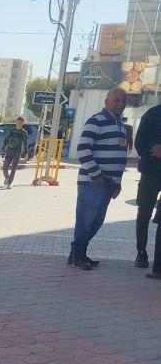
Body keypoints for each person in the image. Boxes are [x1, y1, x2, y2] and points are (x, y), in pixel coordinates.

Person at [68, 87, 129, 270]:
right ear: (106, 101)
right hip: (93, 183)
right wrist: (96, 174)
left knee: (96, 222)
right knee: (86, 221)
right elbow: (83, 150)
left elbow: (120, 157)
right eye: (117, 100)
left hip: (108, 184)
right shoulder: (96, 120)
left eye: (123, 101)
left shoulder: (121, 125)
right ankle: (78, 256)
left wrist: (117, 184)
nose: (120, 104)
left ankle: (77, 253)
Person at [134, 99, 161, 268]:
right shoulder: (152, 114)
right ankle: (141, 252)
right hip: (150, 173)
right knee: (144, 212)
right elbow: (139, 143)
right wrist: (152, 153)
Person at [1, 117, 29, 188]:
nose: (19, 124)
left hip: (17, 151)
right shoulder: (11, 130)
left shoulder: (24, 133)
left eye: (21, 122)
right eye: (18, 122)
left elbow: (25, 143)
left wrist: (26, 153)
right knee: (5, 168)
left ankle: (9, 183)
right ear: (16, 122)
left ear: (23, 123)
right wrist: (2, 149)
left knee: (13, 168)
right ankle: (7, 177)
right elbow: (6, 140)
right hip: (9, 150)